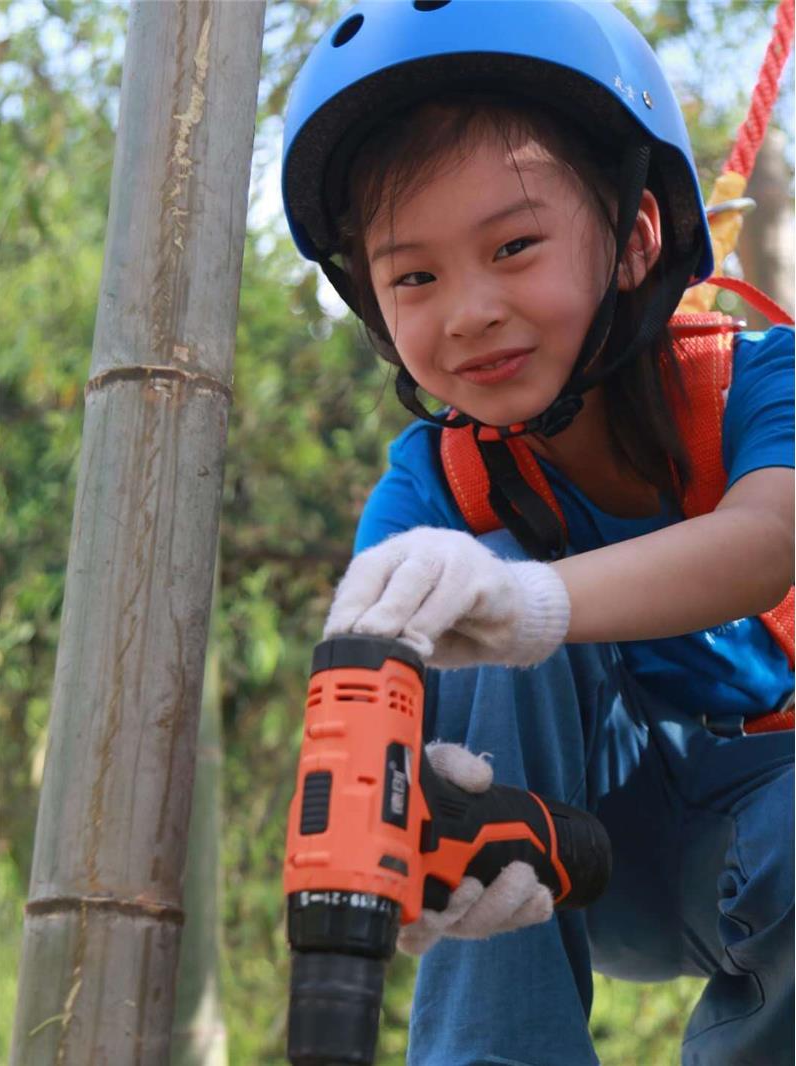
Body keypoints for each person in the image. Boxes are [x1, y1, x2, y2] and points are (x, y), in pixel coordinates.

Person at [280, 3, 794, 1063]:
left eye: (512, 245)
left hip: (773, 824)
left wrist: (529, 606)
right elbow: (364, 693)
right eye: (414, 276)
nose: (466, 310)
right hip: (572, 850)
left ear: (633, 237)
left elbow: (766, 540)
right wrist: (406, 820)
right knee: (459, 578)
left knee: (491, 588)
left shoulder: (757, 383)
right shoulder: (435, 488)